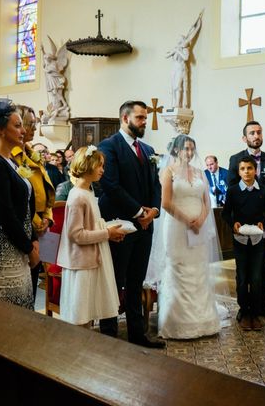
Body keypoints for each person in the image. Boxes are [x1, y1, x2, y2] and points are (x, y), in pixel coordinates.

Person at [97, 100, 163, 348]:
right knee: (114, 280)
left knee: (136, 281)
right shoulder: (109, 147)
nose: (145, 122)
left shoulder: (147, 149)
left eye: (145, 117)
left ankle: (137, 334)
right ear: (125, 118)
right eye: (140, 118)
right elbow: (110, 186)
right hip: (120, 225)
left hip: (145, 227)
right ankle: (109, 334)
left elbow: (156, 185)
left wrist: (154, 211)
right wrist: (138, 212)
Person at [148, 135, 223, 339]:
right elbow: (165, 202)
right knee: (178, 268)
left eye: (192, 149)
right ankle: (176, 321)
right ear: (176, 150)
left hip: (197, 226)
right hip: (176, 226)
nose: (189, 153)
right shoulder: (168, 171)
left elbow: (207, 201)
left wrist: (200, 219)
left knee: (198, 269)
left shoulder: (200, 172)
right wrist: (187, 220)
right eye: (185, 149)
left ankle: (203, 319)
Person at [0, 100, 40, 309]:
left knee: (22, 305)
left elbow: (26, 206)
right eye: (17, 125)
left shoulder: (10, 162)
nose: (23, 131)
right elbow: (5, 214)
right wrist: (29, 247)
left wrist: (34, 238)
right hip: (1, 246)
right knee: (6, 311)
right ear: (0, 129)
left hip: (17, 241)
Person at [57, 146, 124, 326]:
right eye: (99, 165)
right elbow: (76, 234)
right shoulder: (77, 196)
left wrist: (109, 234)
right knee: (80, 316)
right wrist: (107, 233)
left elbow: (91, 224)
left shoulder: (88, 191)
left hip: (91, 259)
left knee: (87, 313)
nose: (102, 170)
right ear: (87, 165)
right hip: (81, 264)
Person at [228, 121, 265, 322]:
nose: (256, 135)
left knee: (262, 268)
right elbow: (232, 190)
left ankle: (264, 306)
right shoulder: (235, 160)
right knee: (243, 269)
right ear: (245, 138)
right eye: (252, 132)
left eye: (259, 132)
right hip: (242, 226)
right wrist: (238, 221)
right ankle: (245, 307)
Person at [222, 155, 265, 331]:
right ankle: (244, 311)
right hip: (240, 240)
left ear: (255, 170)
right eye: (243, 169)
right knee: (243, 278)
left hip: (258, 240)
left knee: (257, 278)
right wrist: (233, 224)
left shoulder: (263, 191)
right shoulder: (233, 191)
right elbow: (225, 213)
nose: (246, 172)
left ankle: (255, 313)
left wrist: (263, 222)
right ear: (239, 171)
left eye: (249, 168)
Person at [13, 105, 56, 299]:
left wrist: (48, 216)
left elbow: (45, 189)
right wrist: (37, 222)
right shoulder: (12, 156)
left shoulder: (32, 153)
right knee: (21, 287)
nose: (32, 129)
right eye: (30, 124)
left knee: (31, 285)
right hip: (24, 226)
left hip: (40, 225)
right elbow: (18, 198)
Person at [166, 11, 202, 109]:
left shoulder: (185, 50)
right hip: (175, 68)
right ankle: (174, 104)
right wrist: (174, 51)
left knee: (178, 86)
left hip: (181, 68)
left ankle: (178, 103)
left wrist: (198, 23)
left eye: (181, 40)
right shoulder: (177, 49)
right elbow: (167, 55)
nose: (180, 42)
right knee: (173, 87)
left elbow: (186, 58)